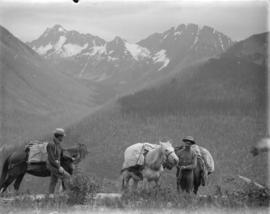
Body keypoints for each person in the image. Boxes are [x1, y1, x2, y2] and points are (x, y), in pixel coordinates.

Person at [46, 128, 71, 194]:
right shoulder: (51, 145)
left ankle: (50, 198)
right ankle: (67, 195)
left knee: (53, 181)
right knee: (67, 176)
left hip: (55, 165)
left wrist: (71, 158)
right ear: (59, 136)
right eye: (62, 136)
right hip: (52, 165)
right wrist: (59, 167)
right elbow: (51, 159)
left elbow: (61, 155)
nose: (63, 138)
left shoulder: (58, 144)